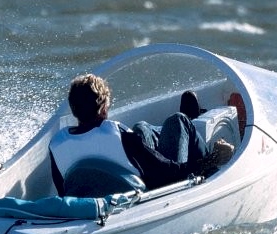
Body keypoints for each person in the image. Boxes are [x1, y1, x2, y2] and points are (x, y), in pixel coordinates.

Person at [49, 73, 219, 197]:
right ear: (102, 109)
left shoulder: (57, 145)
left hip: (103, 201)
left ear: (73, 108)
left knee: (141, 127)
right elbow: (171, 173)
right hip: (156, 194)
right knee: (178, 121)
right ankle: (188, 122)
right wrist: (215, 158)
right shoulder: (118, 134)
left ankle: (171, 127)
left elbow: (64, 193)